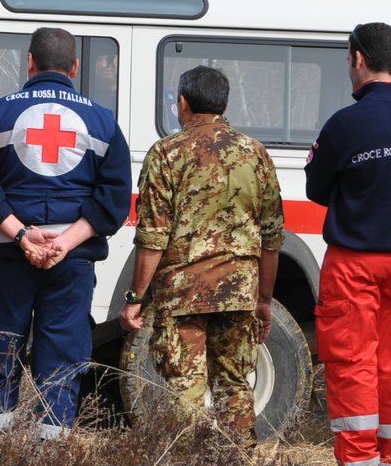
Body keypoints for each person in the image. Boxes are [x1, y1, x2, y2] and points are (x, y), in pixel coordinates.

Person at [0, 27, 132, 439]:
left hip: (7, 255)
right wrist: (64, 242)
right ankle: (50, 459)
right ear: (75, 67)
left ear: (29, 62)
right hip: (71, 263)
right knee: (61, 362)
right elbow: (113, 199)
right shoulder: (103, 121)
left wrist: (22, 234)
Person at [305, 22, 391, 466]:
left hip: (354, 261)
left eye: (347, 59)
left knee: (352, 363)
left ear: (358, 58)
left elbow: (316, 188)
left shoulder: (346, 123)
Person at [118, 66, 283, 445]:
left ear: (182, 103)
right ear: (224, 104)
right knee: (235, 386)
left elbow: (153, 237)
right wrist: (263, 300)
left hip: (183, 295)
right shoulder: (256, 155)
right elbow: (271, 239)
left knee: (184, 389)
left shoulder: (165, 154)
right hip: (239, 295)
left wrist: (135, 299)